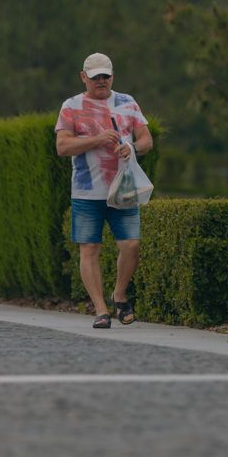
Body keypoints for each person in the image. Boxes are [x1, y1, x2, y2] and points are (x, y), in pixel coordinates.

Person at [55, 52, 153, 329]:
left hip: (123, 189)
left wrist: (131, 146)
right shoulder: (71, 106)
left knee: (131, 245)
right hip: (87, 191)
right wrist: (96, 140)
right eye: (95, 76)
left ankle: (119, 294)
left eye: (105, 76)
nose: (101, 81)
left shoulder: (127, 102)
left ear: (112, 76)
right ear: (83, 77)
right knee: (89, 249)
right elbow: (62, 147)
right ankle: (101, 309)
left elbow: (147, 140)